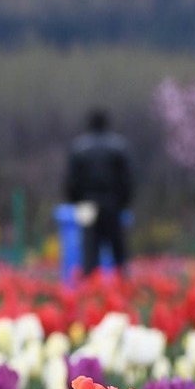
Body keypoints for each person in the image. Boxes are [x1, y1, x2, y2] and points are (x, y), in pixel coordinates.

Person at [63, 110, 133, 277]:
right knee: (118, 251)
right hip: (112, 203)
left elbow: (71, 182)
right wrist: (123, 202)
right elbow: (127, 180)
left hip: (87, 204)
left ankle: (90, 289)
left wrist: (76, 202)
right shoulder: (118, 147)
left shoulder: (79, 148)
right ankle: (121, 287)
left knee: (89, 250)